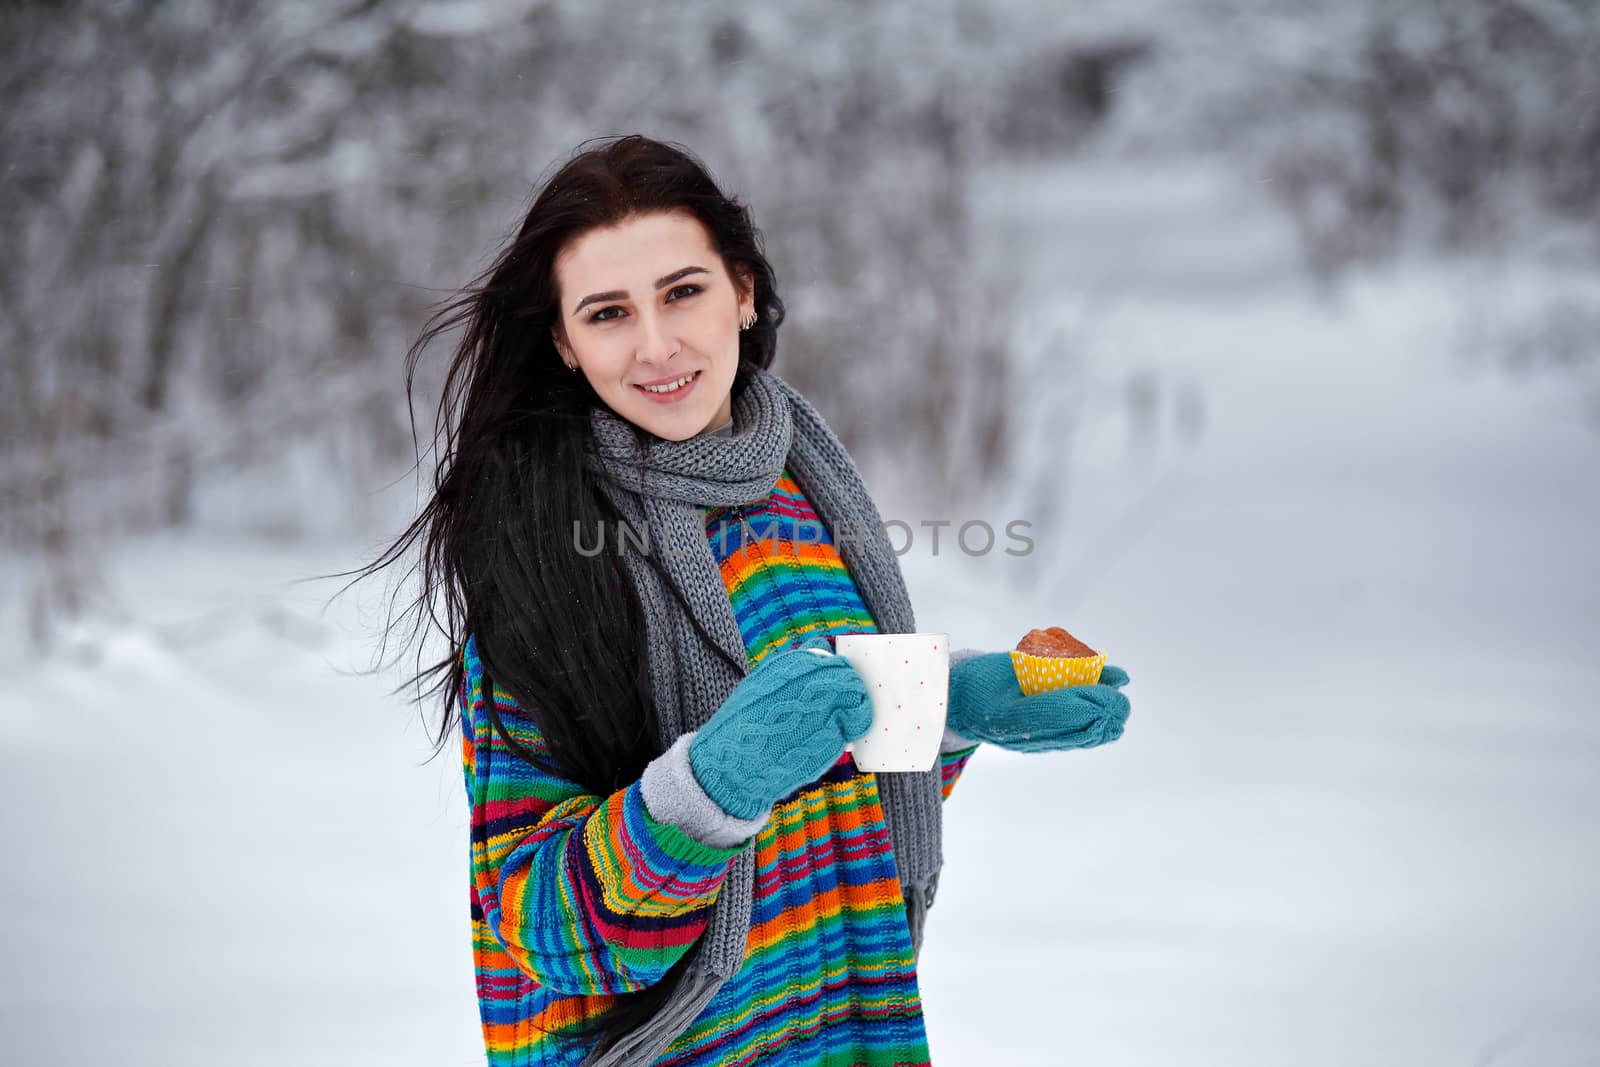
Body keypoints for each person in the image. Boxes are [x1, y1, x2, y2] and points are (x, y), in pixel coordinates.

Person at [366, 134, 1133, 1066]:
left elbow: (825, 755)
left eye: (682, 291)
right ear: (565, 343)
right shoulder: (546, 552)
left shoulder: (801, 484)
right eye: (609, 313)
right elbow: (537, 920)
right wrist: (709, 788)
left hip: (844, 1023)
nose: (657, 345)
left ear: (742, 289)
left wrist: (958, 704)